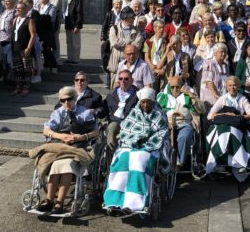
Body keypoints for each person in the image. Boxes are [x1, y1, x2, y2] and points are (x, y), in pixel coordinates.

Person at [103, 87, 169, 214]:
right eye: (143, 102)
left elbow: (161, 134)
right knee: (121, 160)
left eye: (148, 102)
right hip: (130, 145)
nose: (145, 105)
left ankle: (133, 202)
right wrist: (134, 140)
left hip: (149, 147)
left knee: (138, 162)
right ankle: (114, 200)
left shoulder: (159, 114)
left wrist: (145, 142)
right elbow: (126, 130)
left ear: (152, 102)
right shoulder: (134, 112)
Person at [35, 86, 97, 214]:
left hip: (78, 146)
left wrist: (82, 136)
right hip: (60, 144)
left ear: (75, 98)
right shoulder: (58, 112)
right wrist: (60, 136)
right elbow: (46, 130)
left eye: (69, 99)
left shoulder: (84, 112)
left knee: (66, 164)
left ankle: (59, 202)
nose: (66, 103)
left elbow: (96, 131)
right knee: (55, 164)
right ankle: (49, 200)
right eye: (62, 100)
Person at [206, 76, 250, 181]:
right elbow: (209, 116)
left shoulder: (242, 99)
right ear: (226, 86)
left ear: (238, 86)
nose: (232, 87)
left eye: (234, 85)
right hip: (223, 127)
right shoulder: (222, 99)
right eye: (229, 85)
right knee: (223, 134)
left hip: (237, 126)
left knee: (232, 133)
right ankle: (219, 163)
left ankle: (240, 164)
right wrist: (225, 114)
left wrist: (238, 116)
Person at [158, 76, 204, 170]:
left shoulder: (188, 95)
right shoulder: (162, 96)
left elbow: (202, 109)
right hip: (167, 124)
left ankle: (179, 163)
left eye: (177, 87)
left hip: (185, 123)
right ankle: (165, 163)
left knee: (184, 137)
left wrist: (190, 94)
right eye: (172, 87)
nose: (175, 89)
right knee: (161, 137)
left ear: (181, 86)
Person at [97, 69, 138, 150]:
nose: (123, 81)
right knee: (112, 127)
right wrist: (96, 111)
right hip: (116, 122)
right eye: (120, 78)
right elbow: (103, 111)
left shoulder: (138, 95)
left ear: (132, 80)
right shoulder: (111, 95)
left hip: (131, 123)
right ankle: (112, 152)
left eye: (126, 79)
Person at [107, 7, 144, 84]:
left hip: (132, 67)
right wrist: (130, 43)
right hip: (116, 66)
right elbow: (115, 43)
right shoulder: (114, 29)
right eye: (132, 17)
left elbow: (137, 45)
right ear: (126, 18)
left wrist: (122, 42)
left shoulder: (137, 30)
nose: (134, 19)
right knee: (115, 89)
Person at [11, 2, 36, 96]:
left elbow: (33, 35)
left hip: (25, 48)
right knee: (18, 69)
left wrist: (29, 48)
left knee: (27, 68)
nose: (18, 10)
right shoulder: (14, 19)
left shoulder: (29, 20)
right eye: (17, 8)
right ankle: (18, 87)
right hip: (16, 47)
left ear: (25, 10)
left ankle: (26, 87)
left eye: (20, 8)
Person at [200, 43, 229, 109]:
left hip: (222, 97)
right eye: (221, 52)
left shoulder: (226, 65)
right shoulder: (209, 63)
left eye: (225, 52)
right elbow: (208, 81)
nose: (223, 54)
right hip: (211, 99)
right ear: (215, 53)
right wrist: (216, 95)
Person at [63, 0, 83, 64]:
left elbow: (80, 12)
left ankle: (76, 59)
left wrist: (77, 25)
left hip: (74, 22)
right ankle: (70, 58)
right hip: (68, 21)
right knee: (69, 42)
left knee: (75, 42)